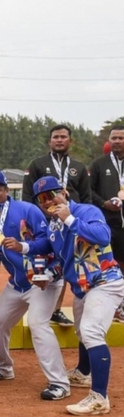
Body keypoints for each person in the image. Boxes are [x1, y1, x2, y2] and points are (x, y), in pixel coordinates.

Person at [28, 176, 124, 415]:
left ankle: (99, 398)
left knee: (91, 332)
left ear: (64, 192)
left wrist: (69, 218)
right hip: (83, 287)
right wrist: (49, 274)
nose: (48, 201)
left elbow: (102, 236)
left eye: (52, 195)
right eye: (42, 199)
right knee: (82, 331)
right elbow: (64, 260)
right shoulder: (53, 228)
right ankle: (83, 372)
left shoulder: (86, 211)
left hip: (104, 281)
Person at [0, 170, 71, 400]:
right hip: (18, 283)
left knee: (38, 324)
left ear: (6, 191)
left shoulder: (27, 210)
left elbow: (48, 242)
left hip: (43, 280)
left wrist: (23, 246)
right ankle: (3, 367)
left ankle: (59, 383)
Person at [21, 125, 92, 328]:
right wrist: (33, 219)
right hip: (44, 222)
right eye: (55, 137)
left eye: (63, 137)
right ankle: (42, 306)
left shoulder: (78, 167)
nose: (59, 140)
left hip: (71, 221)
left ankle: (59, 309)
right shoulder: (37, 164)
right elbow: (27, 196)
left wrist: (80, 218)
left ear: (70, 141)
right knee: (44, 262)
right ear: (49, 141)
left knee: (70, 261)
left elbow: (86, 197)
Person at [86, 124, 124, 320]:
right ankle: (104, 306)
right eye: (114, 138)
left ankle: (121, 306)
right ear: (108, 141)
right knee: (106, 264)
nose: (117, 141)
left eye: (121, 138)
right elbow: (89, 192)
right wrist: (104, 203)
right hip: (106, 225)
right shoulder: (99, 164)